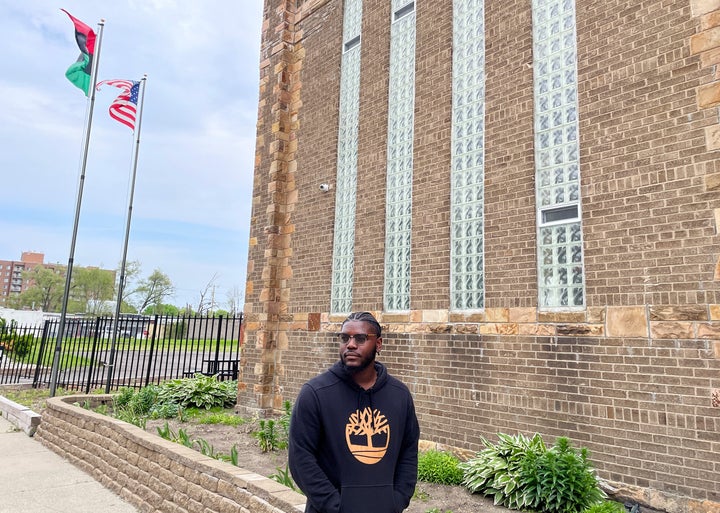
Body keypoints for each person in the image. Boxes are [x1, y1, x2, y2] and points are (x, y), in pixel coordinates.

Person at [289, 311, 420, 513]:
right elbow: (301, 459)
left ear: (378, 344)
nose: (350, 344)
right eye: (344, 338)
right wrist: (337, 507)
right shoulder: (315, 393)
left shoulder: (399, 395)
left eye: (360, 338)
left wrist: (397, 501)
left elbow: (408, 452)